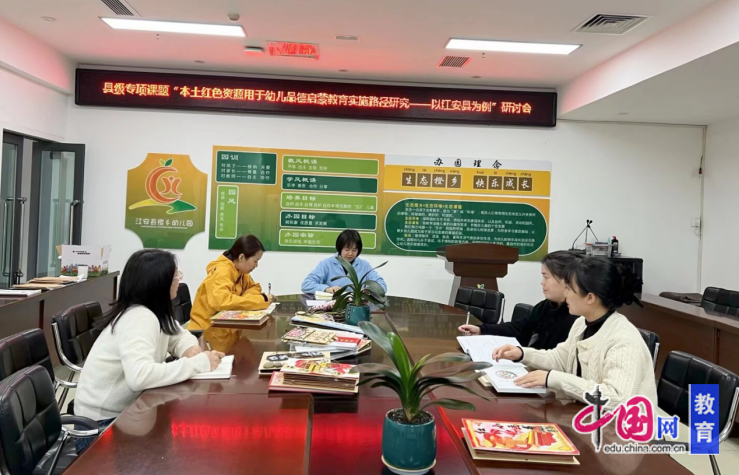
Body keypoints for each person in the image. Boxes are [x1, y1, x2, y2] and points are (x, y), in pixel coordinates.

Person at [74, 249, 224, 451]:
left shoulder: (153, 313)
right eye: (175, 276)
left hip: (127, 415)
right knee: (184, 449)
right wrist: (198, 363)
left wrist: (189, 348)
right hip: (102, 427)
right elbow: (140, 377)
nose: (179, 280)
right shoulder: (139, 318)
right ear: (158, 283)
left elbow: (178, 335)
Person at [492, 256, 656, 409]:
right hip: (586, 416)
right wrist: (522, 354)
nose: (565, 294)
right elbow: (560, 359)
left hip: (624, 427)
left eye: (570, 289)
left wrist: (553, 378)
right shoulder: (581, 324)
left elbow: (616, 398)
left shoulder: (623, 339)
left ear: (590, 298)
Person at [457, 251, 580, 350]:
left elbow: (557, 359)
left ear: (566, 280)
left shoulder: (577, 317)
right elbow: (519, 327)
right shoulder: (547, 306)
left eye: (546, 277)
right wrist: (481, 330)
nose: (542, 283)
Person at [189, 234, 275, 331]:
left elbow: (254, 287)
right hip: (206, 330)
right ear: (242, 257)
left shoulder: (240, 270)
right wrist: (260, 300)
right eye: (255, 261)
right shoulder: (222, 272)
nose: (257, 265)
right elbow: (222, 302)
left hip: (225, 327)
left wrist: (243, 300)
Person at [301, 229, 387, 294]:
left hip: (357, 306)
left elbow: (382, 286)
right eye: (347, 249)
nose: (350, 253)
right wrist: (327, 289)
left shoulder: (364, 265)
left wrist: (368, 290)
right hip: (331, 307)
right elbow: (306, 284)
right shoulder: (326, 264)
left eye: (354, 250)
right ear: (340, 248)